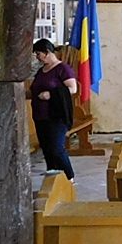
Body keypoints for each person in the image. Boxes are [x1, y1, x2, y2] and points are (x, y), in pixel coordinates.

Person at [30, 39, 77, 181]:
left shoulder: (63, 69)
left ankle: (69, 177)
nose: (37, 57)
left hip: (56, 115)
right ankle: (53, 178)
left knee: (56, 147)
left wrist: (51, 95)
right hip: (40, 116)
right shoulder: (41, 71)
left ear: (47, 52)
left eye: (38, 54)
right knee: (47, 149)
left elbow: (72, 88)